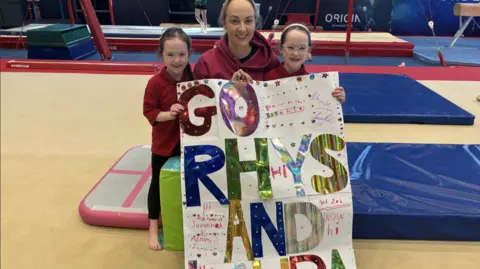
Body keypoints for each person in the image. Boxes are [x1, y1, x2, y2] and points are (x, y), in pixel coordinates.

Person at [142, 27, 193, 251]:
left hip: (191, 140)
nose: (176, 60)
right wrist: (168, 114)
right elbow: (149, 112)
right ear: (161, 54)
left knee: (189, 182)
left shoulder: (195, 76)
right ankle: (153, 226)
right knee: (158, 185)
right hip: (164, 143)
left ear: (189, 53)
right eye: (170, 54)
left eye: (181, 54)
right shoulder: (155, 83)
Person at [193, 0, 280, 81]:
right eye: (235, 21)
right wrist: (230, 91)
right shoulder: (206, 64)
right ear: (224, 23)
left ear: (255, 23)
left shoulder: (270, 61)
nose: (242, 29)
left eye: (248, 21)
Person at [264, 23, 346, 104]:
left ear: (308, 51)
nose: (295, 53)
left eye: (302, 48)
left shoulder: (314, 83)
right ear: (281, 49)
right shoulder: (268, 78)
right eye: (290, 47)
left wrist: (335, 99)